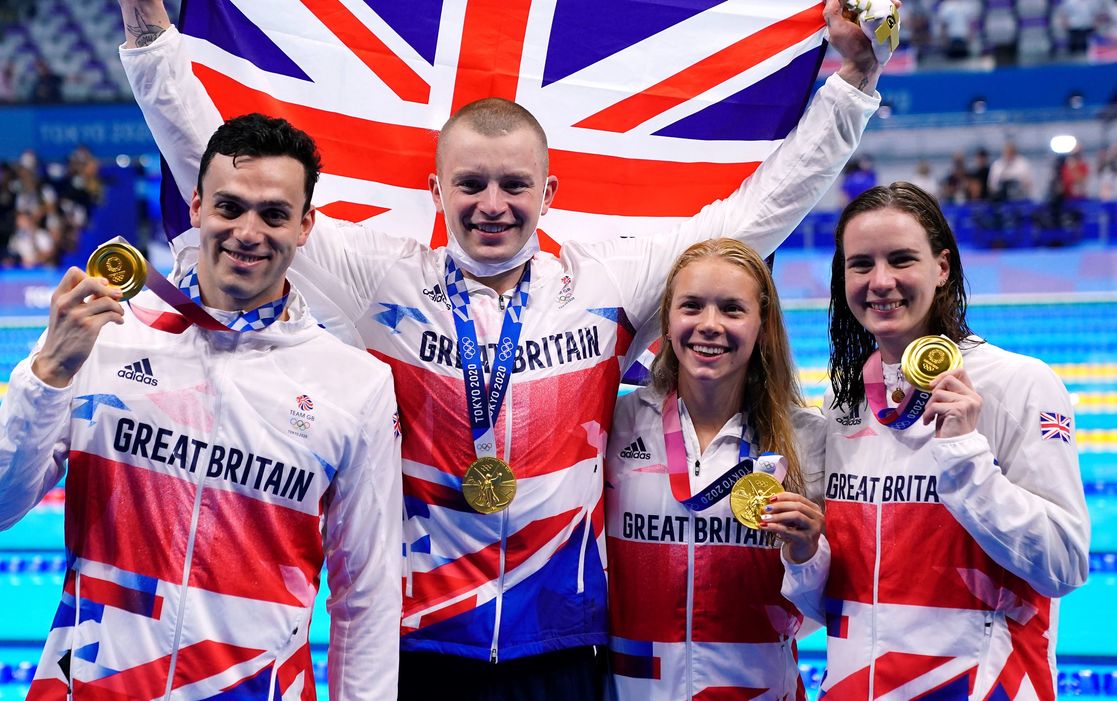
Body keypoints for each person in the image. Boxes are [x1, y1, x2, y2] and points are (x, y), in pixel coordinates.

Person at [116, 0, 887, 697]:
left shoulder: (607, 283)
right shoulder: (377, 282)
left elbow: (760, 210)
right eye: (471, 184)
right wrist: (145, 26)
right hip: (419, 647)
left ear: (548, 194)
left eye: (514, 185)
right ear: (436, 190)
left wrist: (851, 82)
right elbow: (217, 171)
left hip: (564, 650)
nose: (493, 205)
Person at [0, 114, 402, 700]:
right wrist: (48, 375)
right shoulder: (103, 336)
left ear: (304, 228)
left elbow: (366, 595)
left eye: (273, 215)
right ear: (196, 208)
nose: (248, 232)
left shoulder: (355, 386)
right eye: (229, 207)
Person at [782, 182, 1090, 698]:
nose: (881, 282)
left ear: (942, 268)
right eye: (861, 265)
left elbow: (1064, 563)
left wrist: (967, 456)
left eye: (901, 259)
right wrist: (804, 555)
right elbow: (832, 607)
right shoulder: (845, 407)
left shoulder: (1018, 384)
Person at [604, 239, 825, 699]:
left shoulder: (808, 440)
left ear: (762, 327)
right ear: (667, 321)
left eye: (731, 309)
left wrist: (807, 554)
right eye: (692, 307)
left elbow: (831, 608)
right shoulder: (615, 427)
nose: (709, 325)